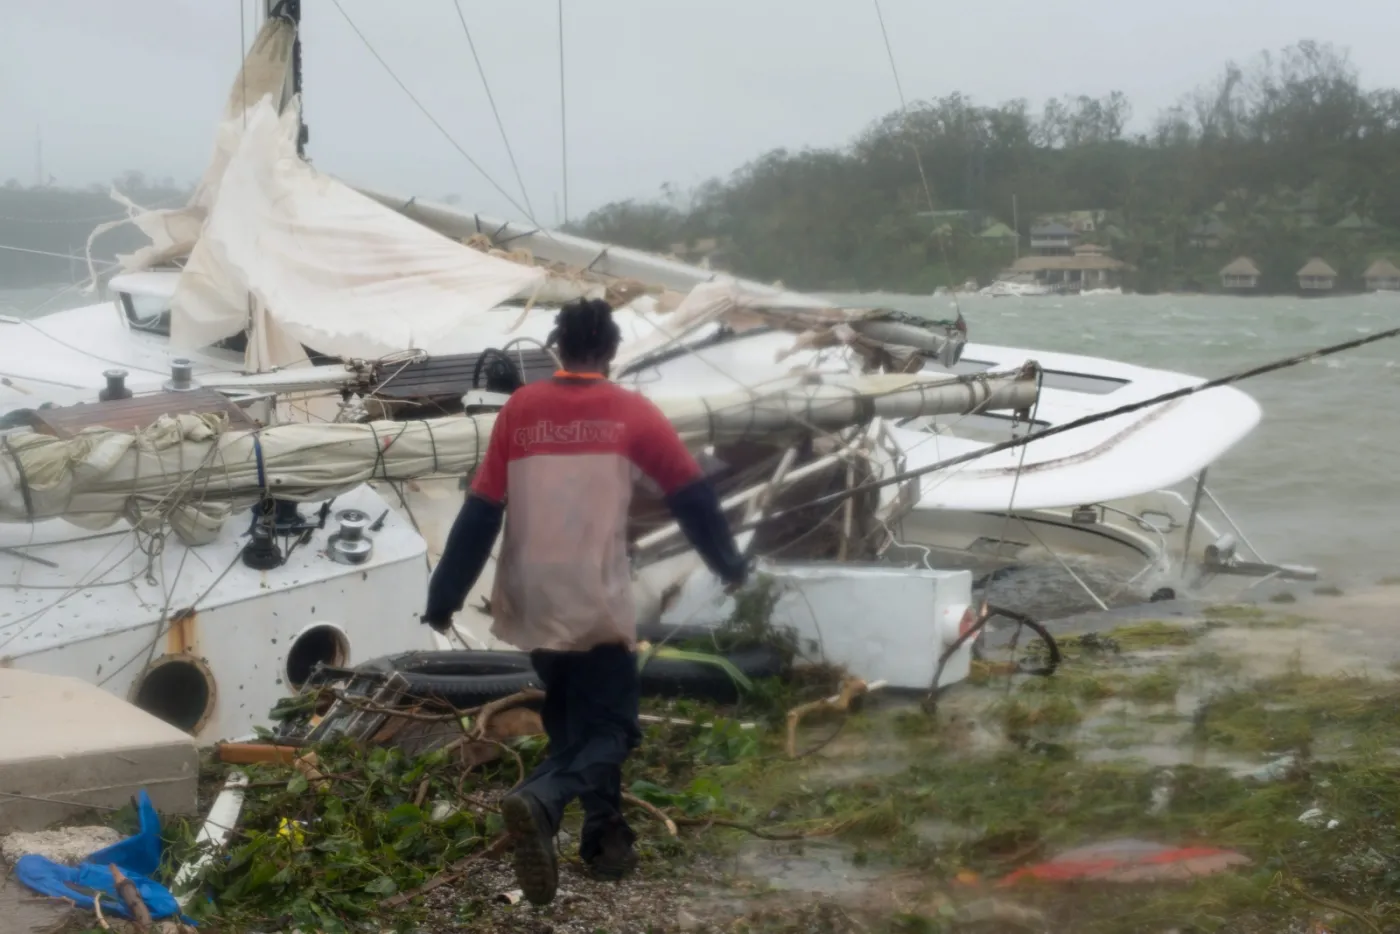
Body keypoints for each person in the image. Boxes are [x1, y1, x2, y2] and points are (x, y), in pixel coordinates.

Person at [422, 297, 749, 906]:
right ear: (611, 350)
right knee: (614, 729)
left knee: (574, 716)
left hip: (531, 594)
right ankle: (542, 800)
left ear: (559, 347)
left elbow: (481, 509)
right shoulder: (631, 412)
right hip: (594, 593)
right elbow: (692, 496)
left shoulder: (521, 409)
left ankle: (605, 844)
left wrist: (444, 596)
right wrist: (729, 565)